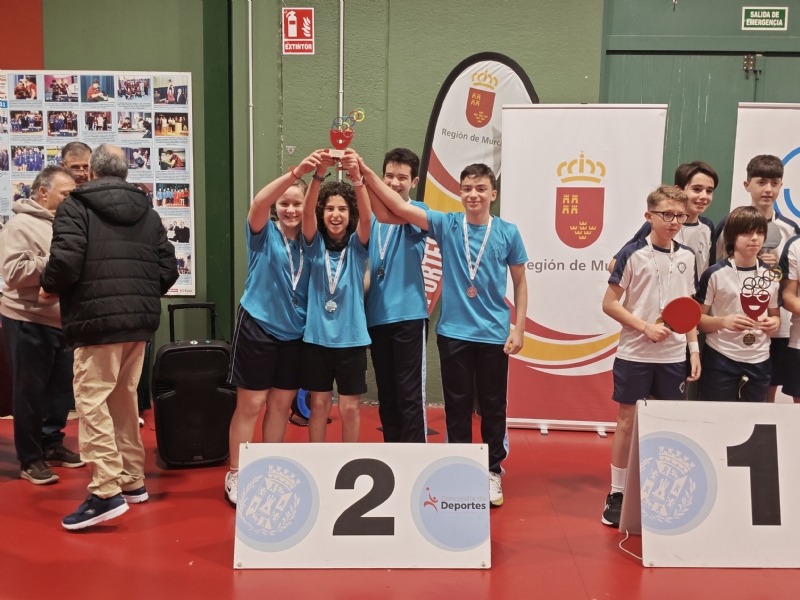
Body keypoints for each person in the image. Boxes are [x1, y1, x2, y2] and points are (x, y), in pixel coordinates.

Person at [362, 160, 528, 507]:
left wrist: (520, 327)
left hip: (494, 334)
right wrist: (362, 170)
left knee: (494, 406)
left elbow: (520, 282)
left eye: (481, 188)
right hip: (453, 333)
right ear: (460, 192)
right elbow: (397, 208)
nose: (473, 194)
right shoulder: (446, 223)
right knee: (456, 405)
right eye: (467, 188)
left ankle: (493, 470)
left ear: (492, 194)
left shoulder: (508, 232)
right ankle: (460, 466)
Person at [41, 144, 179, 530]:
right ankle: (132, 481)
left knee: (92, 402)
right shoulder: (148, 213)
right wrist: (140, 293)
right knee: (122, 401)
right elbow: (168, 269)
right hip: (139, 324)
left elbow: (65, 262)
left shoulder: (75, 207)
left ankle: (105, 492)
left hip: (96, 322)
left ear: (93, 172)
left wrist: (49, 286)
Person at [223, 151, 323, 506]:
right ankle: (236, 472)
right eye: (285, 204)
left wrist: (317, 178)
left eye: (296, 204)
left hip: (295, 333)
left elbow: (312, 210)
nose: (291, 210)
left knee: (281, 405)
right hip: (258, 327)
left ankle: (266, 468)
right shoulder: (262, 234)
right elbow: (258, 202)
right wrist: (297, 171)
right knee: (251, 404)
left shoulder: (312, 241)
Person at [601, 185, 701, 527]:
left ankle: (658, 490)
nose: (674, 222)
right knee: (626, 423)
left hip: (673, 357)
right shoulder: (632, 255)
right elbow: (609, 303)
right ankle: (616, 493)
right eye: (667, 215)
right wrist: (645, 327)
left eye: (680, 216)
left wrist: (694, 349)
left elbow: (689, 309)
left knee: (667, 425)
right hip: (635, 353)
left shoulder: (688, 257)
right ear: (650, 217)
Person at [0, 166, 85, 485]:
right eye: (66, 194)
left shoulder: (69, 224)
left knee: (60, 391)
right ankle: (30, 458)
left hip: (63, 321)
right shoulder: (20, 225)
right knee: (29, 392)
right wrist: (58, 264)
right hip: (27, 319)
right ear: (42, 193)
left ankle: (51, 444)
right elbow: (13, 272)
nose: (71, 199)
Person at [713, 155, 798, 403]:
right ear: (747, 185)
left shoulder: (790, 229)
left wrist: (774, 271)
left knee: (767, 391)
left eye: (774, 182)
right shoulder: (728, 225)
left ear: (781, 185)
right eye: (761, 182)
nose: (768, 189)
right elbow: (716, 269)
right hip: (732, 326)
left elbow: (792, 279)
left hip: (775, 325)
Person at [301, 149, 372, 444]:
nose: (335, 214)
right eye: (329, 208)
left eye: (342, 209)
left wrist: (357, 176)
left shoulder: (357, 247)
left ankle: (348, 463)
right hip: (316, 340)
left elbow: (368, 217)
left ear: (350, 214)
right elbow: (306, 213)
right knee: (318, 406)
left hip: (351, 341)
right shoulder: (313, 244)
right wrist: (318, 175)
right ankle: (318, 463)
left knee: (349, 407)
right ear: (322, 212)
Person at [360, 148, 429, 442]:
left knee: (409, 397)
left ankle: (415, 463)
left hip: (409, 316)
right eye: (389, 175)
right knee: (386, 396)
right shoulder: (372, 219)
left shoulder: (419, 212)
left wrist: (364, 173)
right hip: (377, 317)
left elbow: (396, 212)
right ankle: (393, 459)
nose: (394, 182)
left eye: (402, 177)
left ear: (413, 181)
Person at [697, 206, 780, 402]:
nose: (754, 238)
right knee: (716, 419)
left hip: (759, 359)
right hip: (721, 357)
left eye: (760, 232)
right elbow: (698, 320)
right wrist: (724, 322)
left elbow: (775, 315)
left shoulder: (771, 275)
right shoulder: (714, 274)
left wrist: (774, 323)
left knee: (753, 421)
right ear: (732, 236)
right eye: (746, 232)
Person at [609, 161, 718, 277]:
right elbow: (614, 265)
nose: (703, 196)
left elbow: (708, 274)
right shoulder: (658, 224)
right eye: (696, 189)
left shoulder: (708, 227)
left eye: (709, 191)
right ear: (678, 190)